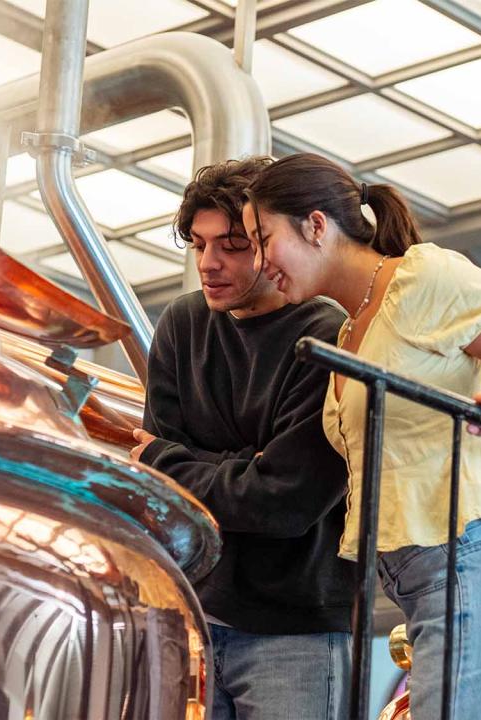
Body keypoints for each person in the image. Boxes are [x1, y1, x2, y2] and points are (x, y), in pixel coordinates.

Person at [242, 153, 481, 720]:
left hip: (477, 565)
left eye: (263, 240)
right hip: (427, 583)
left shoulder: (424, 278)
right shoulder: (349, 332)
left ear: (315, 225)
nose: (259, 263)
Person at [130, 157, 357, 719]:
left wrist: (180, 460)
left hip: (294, 629)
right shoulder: (182, 325)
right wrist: (243, 465)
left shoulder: (329, 336)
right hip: (186, 616)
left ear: (269, 241)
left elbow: (285, 501)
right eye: (198, 244)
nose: (208, 263)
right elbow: (155, 481)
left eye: (232, 246)